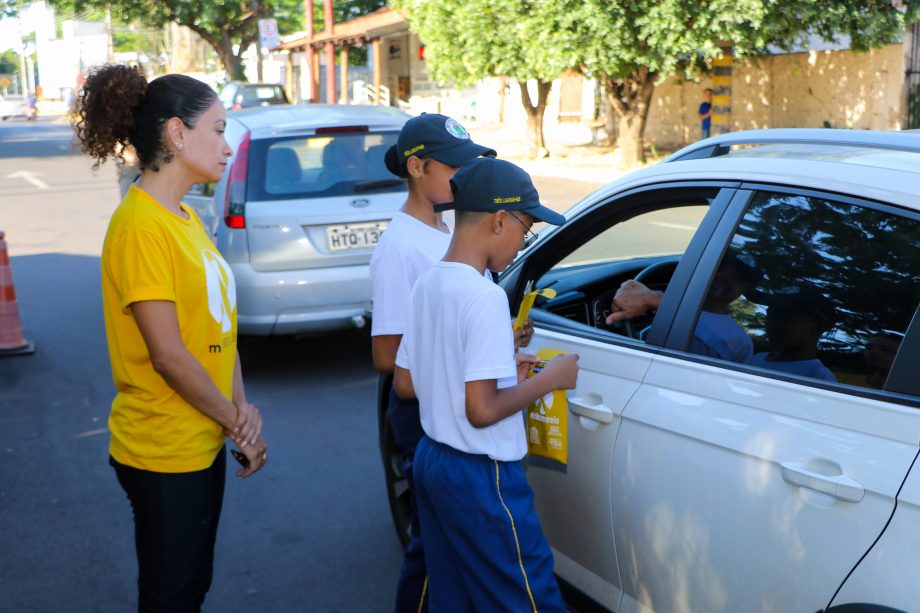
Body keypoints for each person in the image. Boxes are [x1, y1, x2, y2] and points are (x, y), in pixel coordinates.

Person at [72, 64, 268, 612]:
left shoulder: (182, 216)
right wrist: (238, 423)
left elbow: (217, 326)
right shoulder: (139, 226)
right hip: (161, 450)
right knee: (170, 597)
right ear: (178, 134)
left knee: (192, 585)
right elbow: (167, 356)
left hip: (202, 439)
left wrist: (241, 409)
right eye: (220, 128)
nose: (227, 146)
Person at [393, 156, 579, 611]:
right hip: (483, 475)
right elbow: (481, 411)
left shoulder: (429, 283)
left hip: (433, 460)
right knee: (527, 595)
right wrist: (550, 379)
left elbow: (410, 381)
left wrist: (502, 371)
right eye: (526, 229)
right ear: (500, 220)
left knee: (451, 592)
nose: (522, 243)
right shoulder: (485, 295)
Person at [370, 112, 497, 612]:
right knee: (432, 546)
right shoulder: (401, 247)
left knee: (451, 544)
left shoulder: (447, 227)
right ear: (417, 166)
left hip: (450, 402)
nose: (463, 179)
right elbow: (387, 355)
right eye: (453, 169)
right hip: (425, 412)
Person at [607, 250, 759, 364]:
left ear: (747, 289)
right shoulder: (663, 297)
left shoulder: (740, 342)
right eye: (720, 268)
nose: (723, 277)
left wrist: (659, 302)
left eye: (737, 278)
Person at [749, 286, 837, 382]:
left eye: (785, 319)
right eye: (769, 315)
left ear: (819, 327)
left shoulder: (819, 377)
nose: (771, 324)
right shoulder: (758, 358)